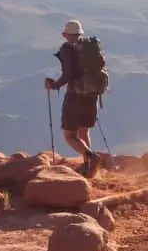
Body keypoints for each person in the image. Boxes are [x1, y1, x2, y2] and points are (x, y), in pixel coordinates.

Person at [44, 19, 103, 177]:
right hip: (91, 96)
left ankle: (92, 157)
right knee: (84, 132)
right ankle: (87, 166)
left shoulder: (67, 49)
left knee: (70, 136)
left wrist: (54, 85)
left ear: (65, 34)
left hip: (75, 96)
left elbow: (69, 74)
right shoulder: (89, 48)